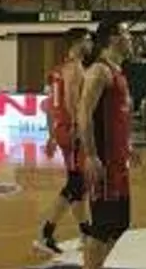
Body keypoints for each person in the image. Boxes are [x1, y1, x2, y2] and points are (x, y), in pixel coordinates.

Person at [78, 20, 134, 269]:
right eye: (126, 34)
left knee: (120, 222)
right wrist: (91, 155)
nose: (131, 38)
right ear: (113, 38)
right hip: (104, 161)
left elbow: (118, 115)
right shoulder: (99, 71)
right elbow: (84, 113)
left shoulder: (117, 71)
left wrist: (128, 145)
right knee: (103, 225)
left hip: (118, 160)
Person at [36, 28, 92, 255]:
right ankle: (46, 233)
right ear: (77, 43)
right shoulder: (75, 68)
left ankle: (85, 232)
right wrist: (80, 127)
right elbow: (71, 100)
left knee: (78, 184)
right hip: (72, 131)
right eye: (87, 40)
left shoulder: (57, 70)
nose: (90, 44)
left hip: (62, 129)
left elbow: (49, 105)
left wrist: (51, 134)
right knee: (75, 185)